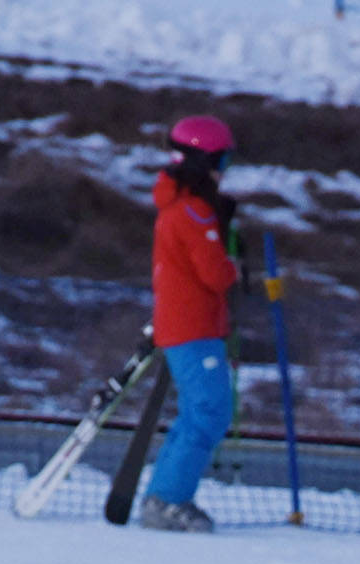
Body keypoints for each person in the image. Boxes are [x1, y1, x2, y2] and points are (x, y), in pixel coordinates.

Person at [140, 115, 242, 533]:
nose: (223, 171)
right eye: (222, 160)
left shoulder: (177, 206)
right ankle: (168, 500)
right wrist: (232, 263)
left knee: (197, 413)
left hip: (187, 325)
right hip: (193, 327)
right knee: (210, 412)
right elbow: (216, 274)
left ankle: (164, 496)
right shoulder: (194, 212)